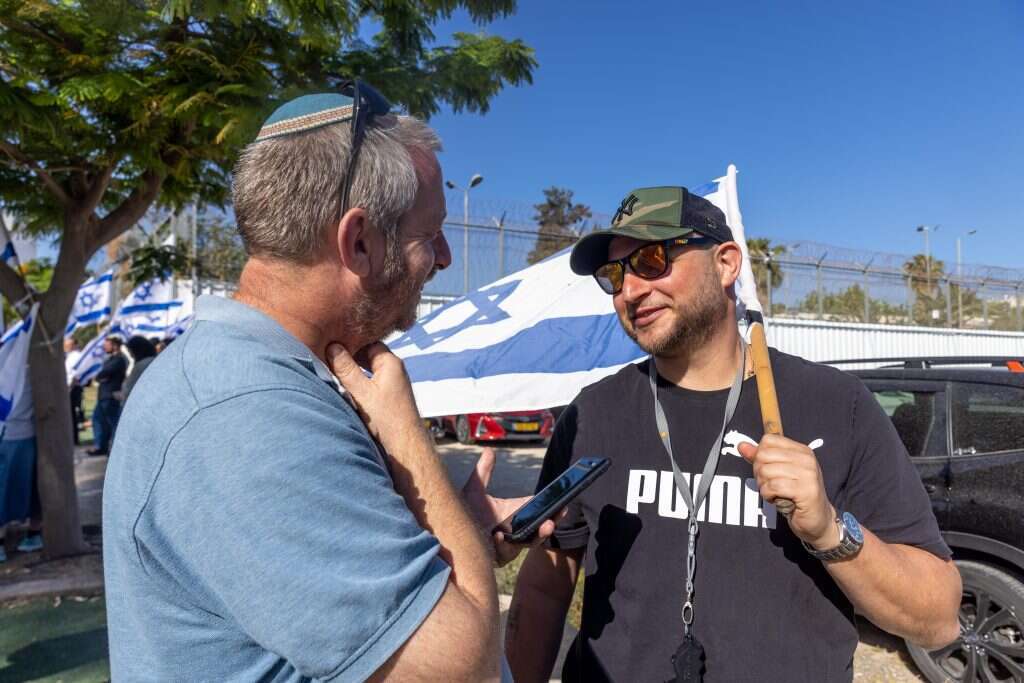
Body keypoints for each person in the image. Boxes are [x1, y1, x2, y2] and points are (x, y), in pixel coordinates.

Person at [103, 83, 550, 681]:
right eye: (430, 234)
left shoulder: (262, 378)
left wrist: (454, 530)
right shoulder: (247, 412)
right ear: (358, 242)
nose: (444, 257)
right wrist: (406, 434)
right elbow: (463, 664)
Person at [506, 187, 962, 682]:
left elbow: (937, 618)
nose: (629, 291)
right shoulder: (592, 413)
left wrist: (828, 530)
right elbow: (543, 590)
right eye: (613, 275)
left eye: (652, 260)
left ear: (725, 263)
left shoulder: (838, 405)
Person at [87, 336, 126, 456]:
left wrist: (101, 376)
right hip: (104, 395)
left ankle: (114, 449)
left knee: (113, 423)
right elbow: (101, 375)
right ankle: (101, 446)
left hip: (110, 395)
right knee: (98, 420)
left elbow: (104, 373)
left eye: (107, 345)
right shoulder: (110, 359)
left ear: (115, 346)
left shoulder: (119, 360)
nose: (104, 347)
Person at [120, 335, 157, 404]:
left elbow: (129, 389)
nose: (130, 353)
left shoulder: (140, 366)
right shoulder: (155, 361)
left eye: (130, 350)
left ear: (136, 349)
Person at [64, 337, 84, 445]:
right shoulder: (69, 356)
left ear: (74, 345)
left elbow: (76, 374)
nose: (66, 346)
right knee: (70, 414)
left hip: (73, 388)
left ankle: (74, 439)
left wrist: (70, 387)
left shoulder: (76, 356)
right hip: (68, 387)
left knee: (71, 414)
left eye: (69, 344)